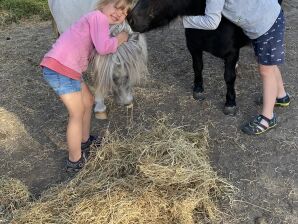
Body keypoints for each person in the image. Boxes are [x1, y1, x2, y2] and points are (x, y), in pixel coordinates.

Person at [41, 0, 133, 172]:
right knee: (76, 113)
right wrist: (121, 38)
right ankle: (74, 161)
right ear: (102, 4)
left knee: (88, 101)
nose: (119, 13)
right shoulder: (97, 17)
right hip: (61, 69)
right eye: (116, 7)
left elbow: (98, 49)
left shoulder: (100, 23)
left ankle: (85, 141)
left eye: (124, 12)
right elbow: (104, 48)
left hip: (70, 70)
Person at [183, 0, 290, 135]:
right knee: (270, 65)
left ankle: (268, 118)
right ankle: (281, 96)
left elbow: (212, 21)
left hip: (266, 24)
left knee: (266, 70)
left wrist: (185, 21)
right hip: (268, 16)